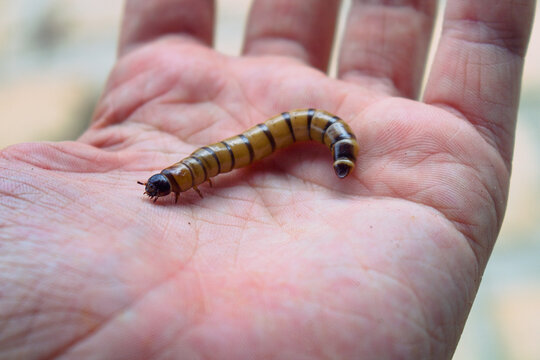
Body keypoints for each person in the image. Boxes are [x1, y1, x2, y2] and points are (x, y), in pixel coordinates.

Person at [0, 0, 535, 358]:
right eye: (162, 185)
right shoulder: (194, 175)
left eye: (161, 185)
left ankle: (337, 145)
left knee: (241, 151)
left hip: (303, 132)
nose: (159, 190)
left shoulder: (212, 168)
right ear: (179, 183)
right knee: (231, 153)